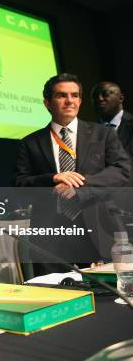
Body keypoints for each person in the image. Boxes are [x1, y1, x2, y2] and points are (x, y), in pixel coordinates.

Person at [15, 73, 130, 275]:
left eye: (75, 95)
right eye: (61, 95)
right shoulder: (30, 142)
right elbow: (19, 184)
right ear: (47, 102)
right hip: (50, 235)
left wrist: (80, 187)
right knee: (55, 297)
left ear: (80, 100)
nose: (69, 101)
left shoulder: (103, 134)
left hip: (98, 229)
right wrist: (51, 179)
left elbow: (122, 172)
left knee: (108, 297)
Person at [92, 81, 133, 164]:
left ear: (121, 98)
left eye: (105, 94)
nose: (100, 98)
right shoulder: (88, 132)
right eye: (95, 96)